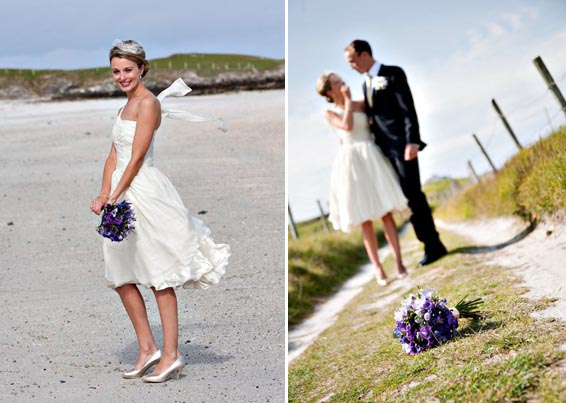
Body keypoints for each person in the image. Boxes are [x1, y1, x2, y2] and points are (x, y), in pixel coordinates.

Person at [89, 40, 230, 383]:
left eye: (127, 70)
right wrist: (103, 193)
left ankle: (171, 354)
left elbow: (136, 158)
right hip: (120, 193)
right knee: (121, 276)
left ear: (141, 68)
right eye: (116, 71)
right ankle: (147, 348)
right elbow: (113, 154)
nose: (122, 76)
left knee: (158, 277)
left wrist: (117, 195)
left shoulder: (149, 104)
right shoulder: (124, 107)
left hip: (144, 192)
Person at [344, 39, 447, 267]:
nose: (351, 66)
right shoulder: (366, 84)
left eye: (352, 60)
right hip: (383, 152)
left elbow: (407, 109)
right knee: (407, 198)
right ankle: (431, 244)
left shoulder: (392, 74)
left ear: (364, 54)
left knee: (414, 195)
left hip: (403, 146)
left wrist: (412, 141)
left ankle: (433, 245)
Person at [316, 72, 408, 285]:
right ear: (330, 90)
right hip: (351, 162)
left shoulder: (362, 104)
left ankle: (399, 262)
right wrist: (347, 101)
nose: (343, 83)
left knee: (386, 213)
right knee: (364, 219)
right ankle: (378, 268)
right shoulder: (330, 113)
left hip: (371, 156)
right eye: (338, 82)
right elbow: (347, 127)